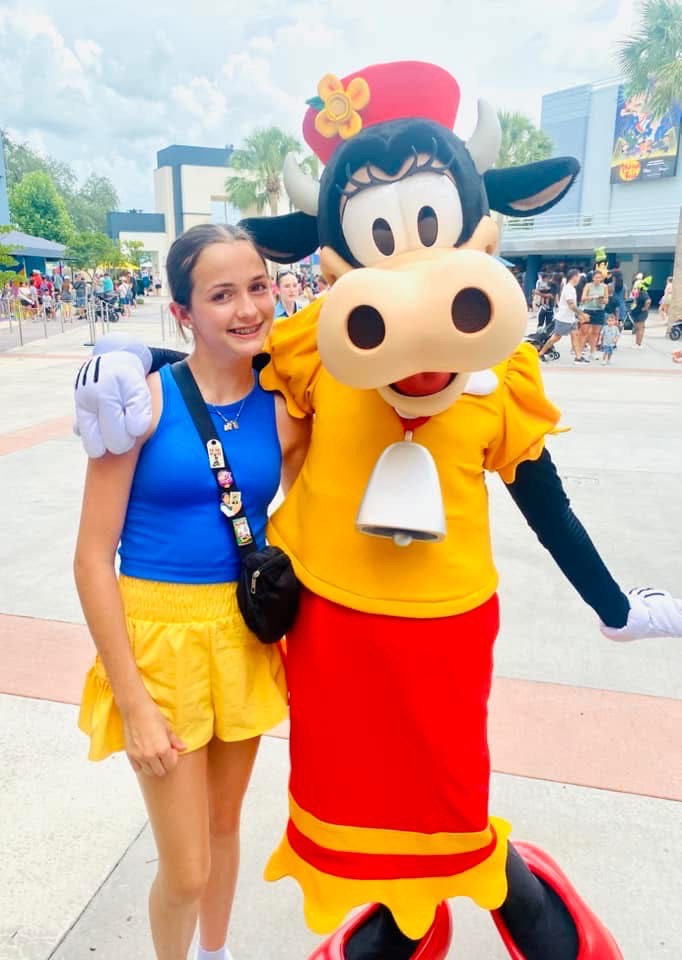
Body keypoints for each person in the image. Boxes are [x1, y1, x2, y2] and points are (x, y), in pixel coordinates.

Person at [73, 223, 310, 960]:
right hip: (159, 642)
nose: (247, 309)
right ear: (183, 312)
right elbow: (90, 560)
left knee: (225, 826)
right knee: (186, 867)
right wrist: (134, 703)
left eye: (258, 287)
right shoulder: (138, 405)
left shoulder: (287, 411)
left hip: (241, 637)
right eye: (221, 295)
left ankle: (216, 953)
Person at [538, 268, 587, 362]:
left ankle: (578, 357)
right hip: (564, 318)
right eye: (578, 276)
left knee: (575, 336)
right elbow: (571, 305)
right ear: (574, 277)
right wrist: (582, 314)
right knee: (556, 337)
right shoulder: (569, 289)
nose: (579, 279)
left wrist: (578, 315)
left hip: (570, 318)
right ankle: (541, 353)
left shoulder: (571, 288)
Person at [579, 268, 608, 361]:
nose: (598, 279)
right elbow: (582, 298)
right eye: (596, 277)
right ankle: (579, 352)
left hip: (599, 310)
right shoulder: (588, 286)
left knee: (595, 333)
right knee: (584, 332)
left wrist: (602, 300)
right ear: (593, 278)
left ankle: (592, 352)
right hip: (588, 309)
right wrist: (591, 297)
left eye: (599, 277)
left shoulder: (604, 287)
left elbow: (606, 300)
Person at [630, 280, 652, 348]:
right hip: (637, 313)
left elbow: (648, 301)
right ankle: (637, 343)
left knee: (640, 328)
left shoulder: (643, 293)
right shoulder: (638, 293)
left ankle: (639, 344)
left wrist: (645, 308)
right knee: (637, 328)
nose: (636, 288)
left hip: (641, 314)